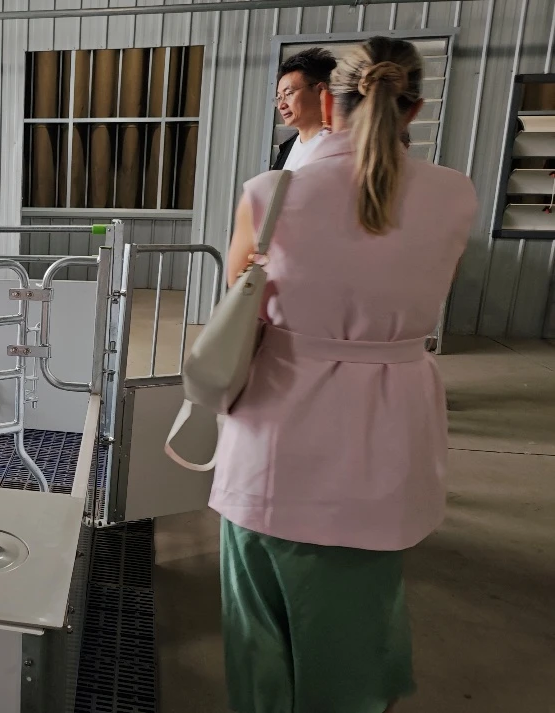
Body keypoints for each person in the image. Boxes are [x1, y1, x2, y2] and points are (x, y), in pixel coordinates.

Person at [214, 36, 476, 713]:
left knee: (259, 623)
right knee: (362, 614)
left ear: (327, 104)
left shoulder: (271, 194)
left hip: (277, 428)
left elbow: (239, 300)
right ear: (413, 109)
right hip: (391, 428)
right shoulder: (456, 195)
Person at [271, 48, 337, 171]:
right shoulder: (286, 148)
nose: (281, 105)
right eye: (279, 98)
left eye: (289, 93)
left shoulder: (338, 146)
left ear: (320, 90)